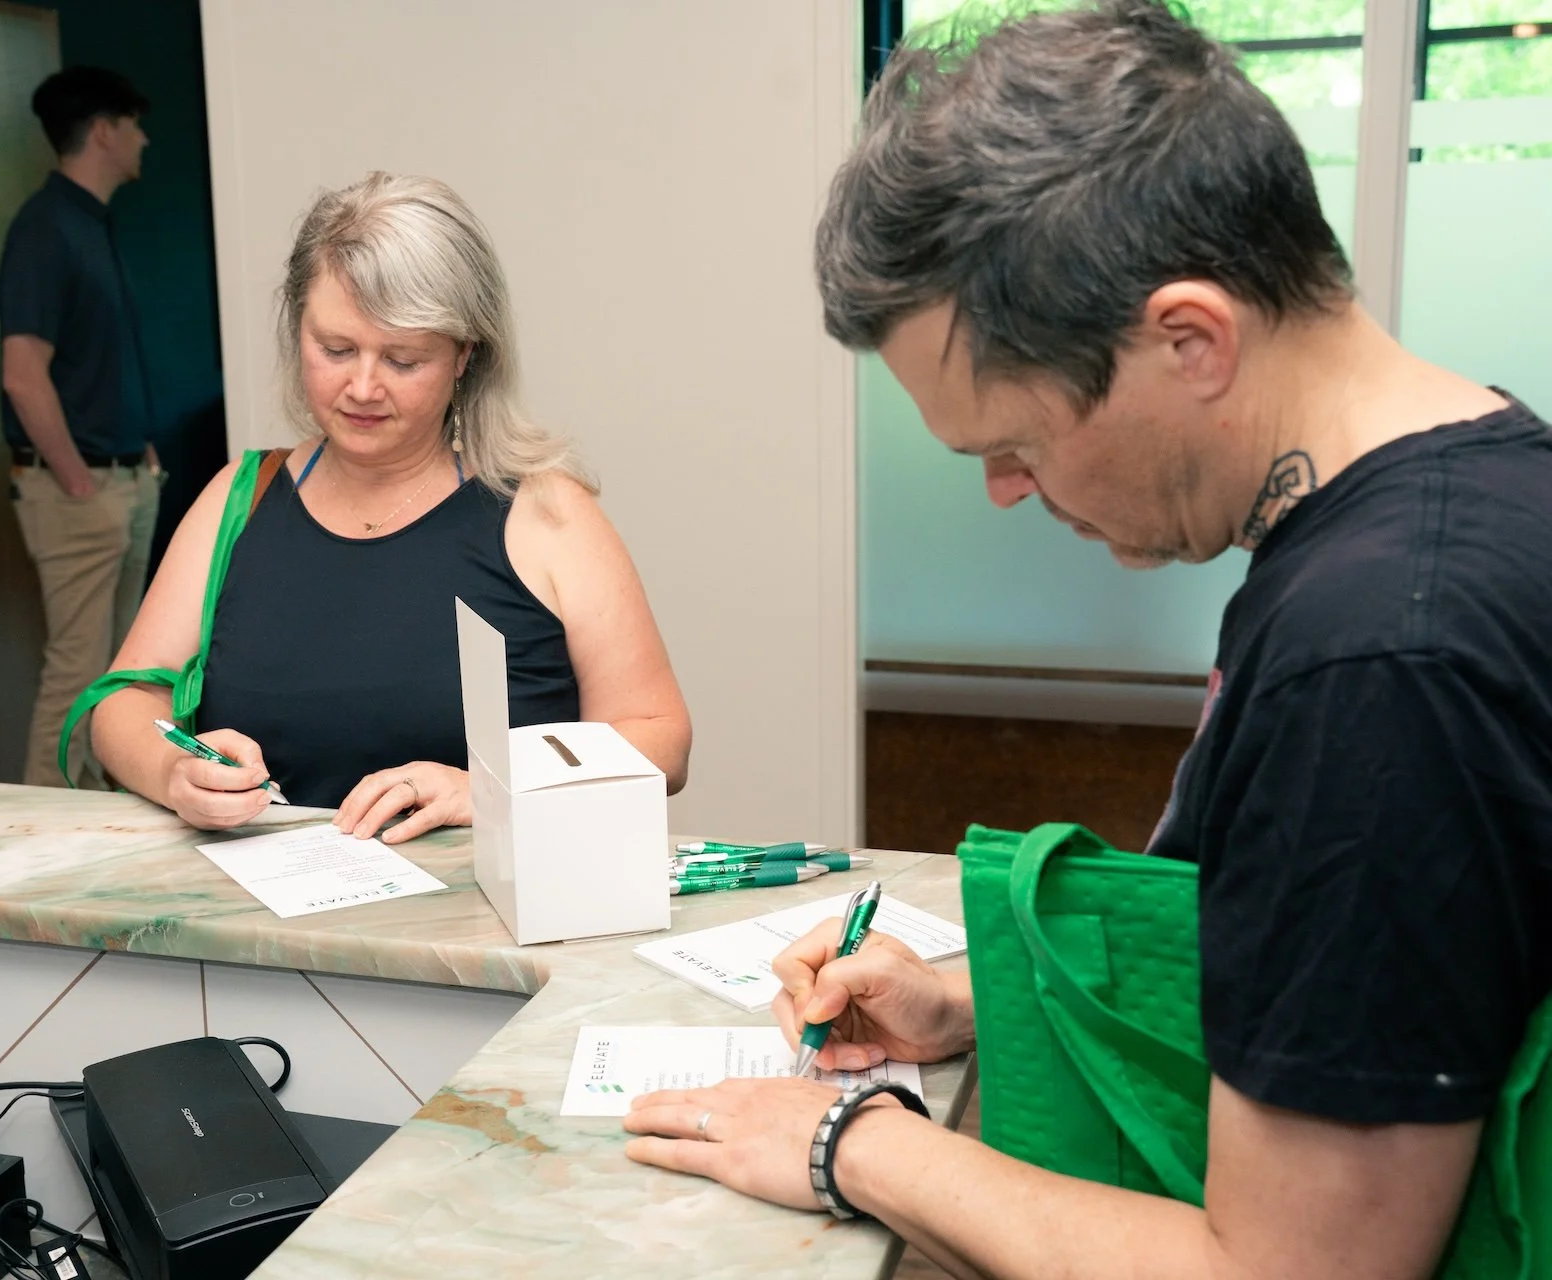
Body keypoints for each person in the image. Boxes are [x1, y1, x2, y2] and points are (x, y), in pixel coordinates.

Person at [623, 3, 1552, 1275]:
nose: (1009, 493)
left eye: (1015, 445)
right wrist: (978, 1007)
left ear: (1190, 339)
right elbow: (1350, 986)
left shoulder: (1381, 660)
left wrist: (853, 1139)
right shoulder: (1467, 488)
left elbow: (1289, 1269)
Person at [90, 173, 691, 837]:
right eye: (336, 349)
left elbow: (661, 740)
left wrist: (496, 787)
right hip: (264, 926)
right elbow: (122, 703)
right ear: (298, 331)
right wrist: (175, 771)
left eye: (404, 359)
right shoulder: (242, 498)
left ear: (466, 354)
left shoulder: (546, 516)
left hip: (486, 927)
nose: (364, 387)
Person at [0, 65, 162, 788]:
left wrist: (142, 455)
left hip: (124, 477)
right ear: (103, 130)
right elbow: (22, 373)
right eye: (134, 124)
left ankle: (96, 830)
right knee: (76, 679)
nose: (145, 139)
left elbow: (98, 364)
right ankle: (44, 849)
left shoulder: (90, 223)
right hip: (80, 491)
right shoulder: (45, 229)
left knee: (116, 684)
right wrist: (76, 482)